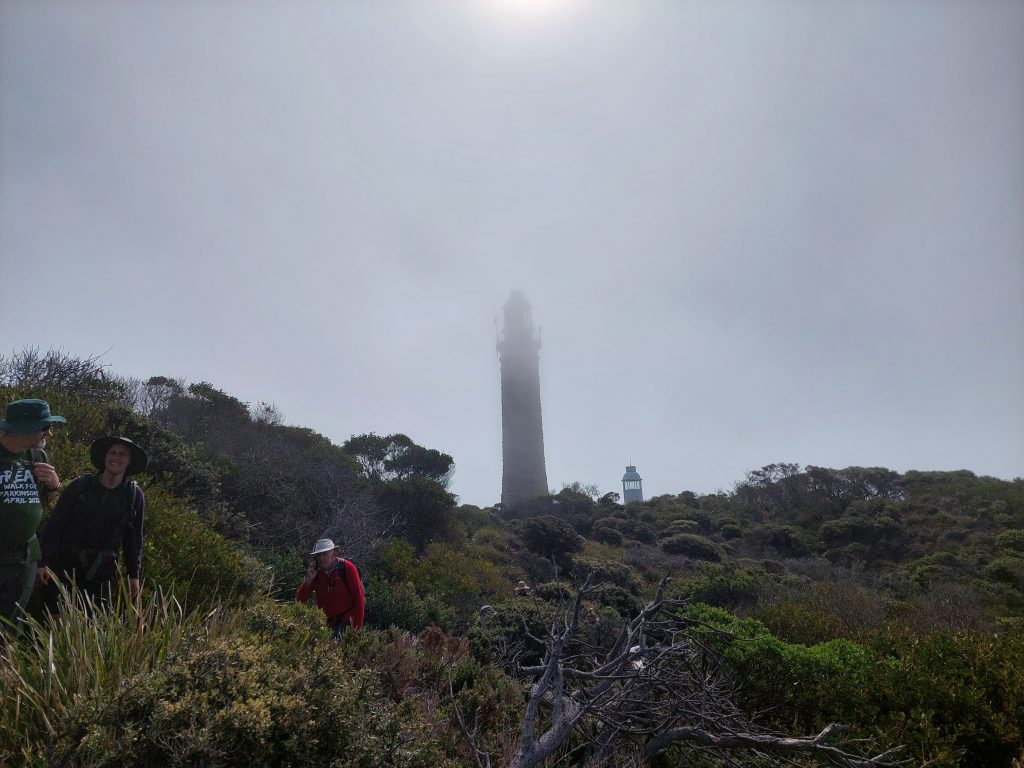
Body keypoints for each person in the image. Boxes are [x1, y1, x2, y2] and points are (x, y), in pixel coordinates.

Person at [38, 436, 147, 609]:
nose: (116, 457)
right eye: (112, 452)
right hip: (65, 565)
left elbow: (133, 540)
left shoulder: (133, 496)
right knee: (56, 618)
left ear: (129, 461)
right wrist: (43, 562)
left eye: (122, 454)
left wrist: (134, 576)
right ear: (105, 456)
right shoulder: (80, 486)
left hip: (103, 574)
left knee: (90, 622)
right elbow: (56, 526)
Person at [0, 399, 64, 623]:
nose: (49, 433)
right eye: (45, 427)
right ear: (23, 429)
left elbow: (47, 505)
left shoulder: (37, 456)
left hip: (25, 558)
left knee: (10, 624)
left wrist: (53, 485)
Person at [296, 538, 365, 636]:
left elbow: (359, 599)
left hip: (346, 621)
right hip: (325, 622)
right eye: (318, 555)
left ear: (334, 552)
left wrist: (357, 630)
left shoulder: (347, 568)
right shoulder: (316, 572)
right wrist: (309, 580)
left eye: (325, 553)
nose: (321, 558)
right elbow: (299, 600)